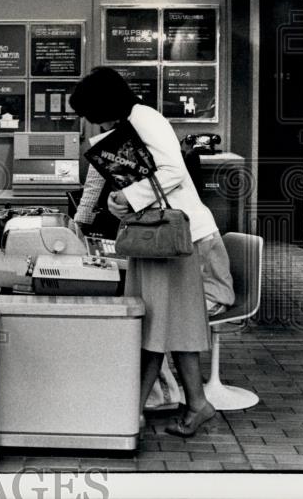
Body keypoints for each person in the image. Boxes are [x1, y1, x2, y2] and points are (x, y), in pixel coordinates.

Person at [69, 66, 234, 438]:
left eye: (90, 113)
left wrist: (128, 196)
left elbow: (173, 170)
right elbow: (142, 179)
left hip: (176, 239)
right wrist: (119, 201)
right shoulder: (135, 120)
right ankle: (196, 404)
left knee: (152, 324)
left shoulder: (145, 119)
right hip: (163, 237)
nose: (91, 122)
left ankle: (132, 410)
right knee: (167, 324)